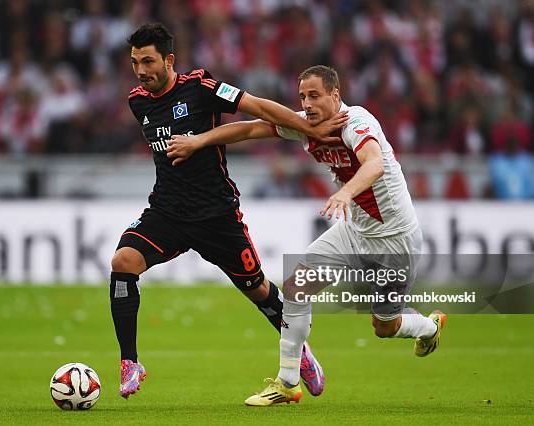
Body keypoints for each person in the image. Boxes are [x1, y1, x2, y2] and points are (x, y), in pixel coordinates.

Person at [168, 65, 447, 406]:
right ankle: (287, 383)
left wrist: (346, 193)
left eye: (315, 95)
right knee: (296, 285)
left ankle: (429, 328)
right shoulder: (305, 125)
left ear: (335, 94)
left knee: (384, 327)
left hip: (394, 239)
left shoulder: (357, 122)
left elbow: (373, 165)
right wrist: (199, 141)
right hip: (354, 231)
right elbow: (248, 130)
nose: (307, 103)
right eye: (302, 96)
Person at [112, 24, 347, 400]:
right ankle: (130, 362)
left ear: (169, 60)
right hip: (167, 211)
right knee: (123, 261)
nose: (141, 70)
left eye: (148, 61)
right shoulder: (137, 100)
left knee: (259, 290)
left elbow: (258, 108)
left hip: (216, 215)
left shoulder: (202, 88)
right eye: (135, 62)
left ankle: (300, 353)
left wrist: (306, 127)